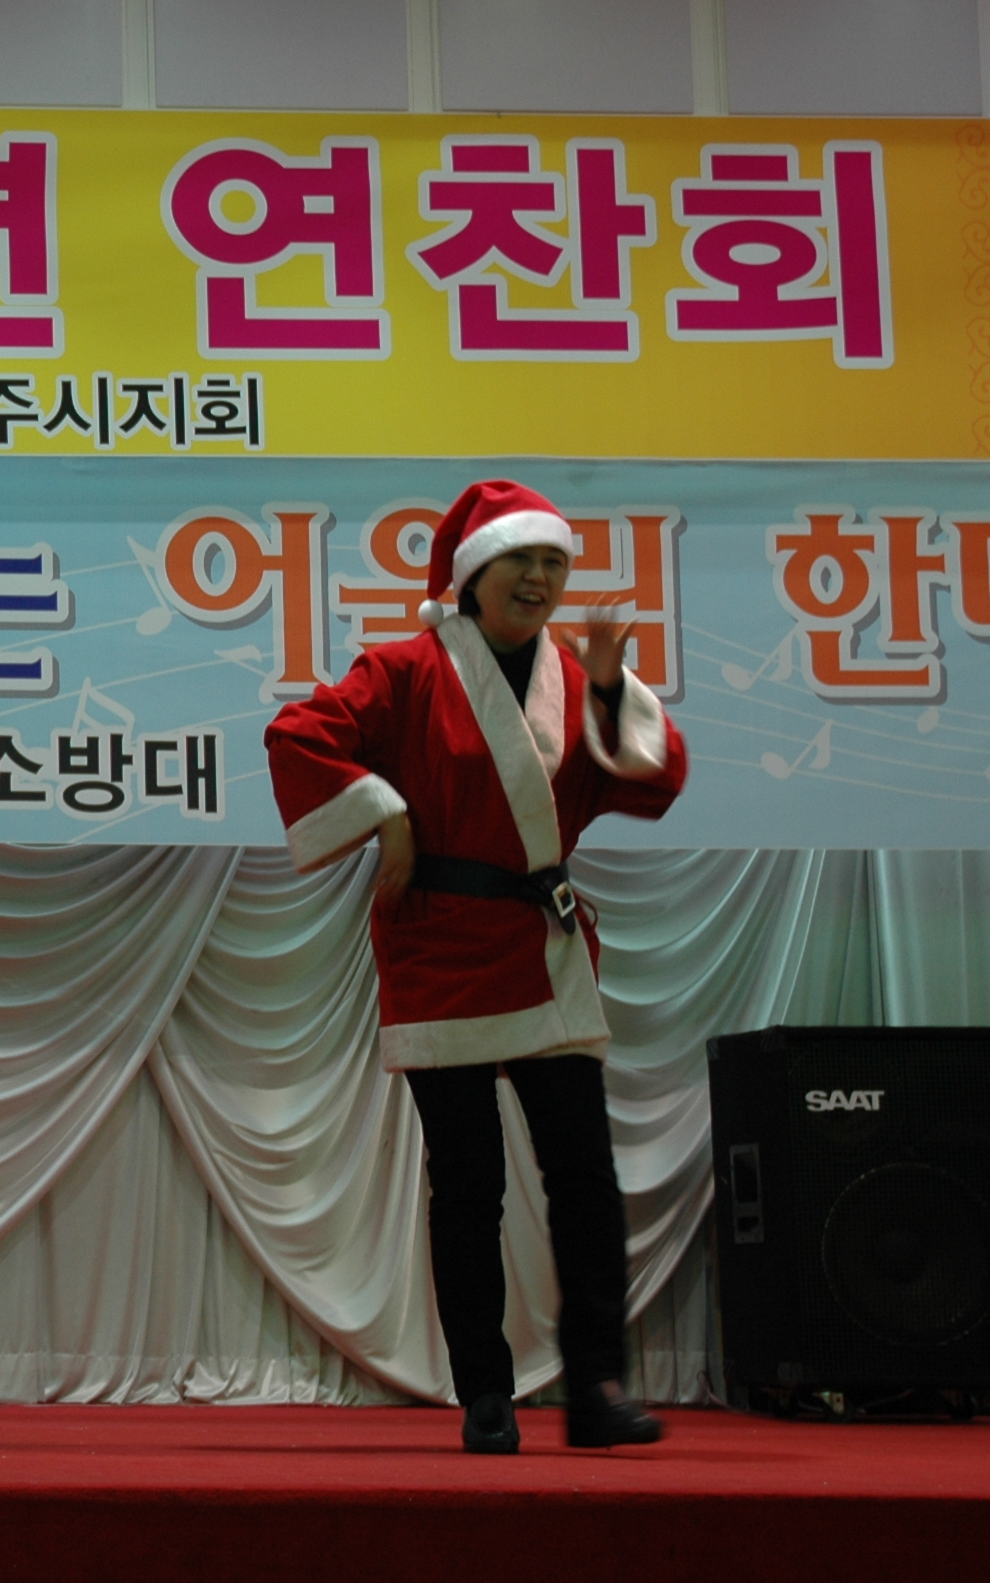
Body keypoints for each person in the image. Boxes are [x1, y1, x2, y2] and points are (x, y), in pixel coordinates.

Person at [266, 479, 685, 1455]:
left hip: (544, 948)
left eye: (553, 563)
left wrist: (612, 690)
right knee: (467, 1183)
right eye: (519, 561)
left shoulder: (576, 676)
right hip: (439, 944)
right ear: (472, 575)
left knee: (584, 1176)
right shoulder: (403, 669)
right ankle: (485, 1392)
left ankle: (595, 1386)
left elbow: (655, 778)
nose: (538, 578)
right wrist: (385, 810)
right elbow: (297, 737)